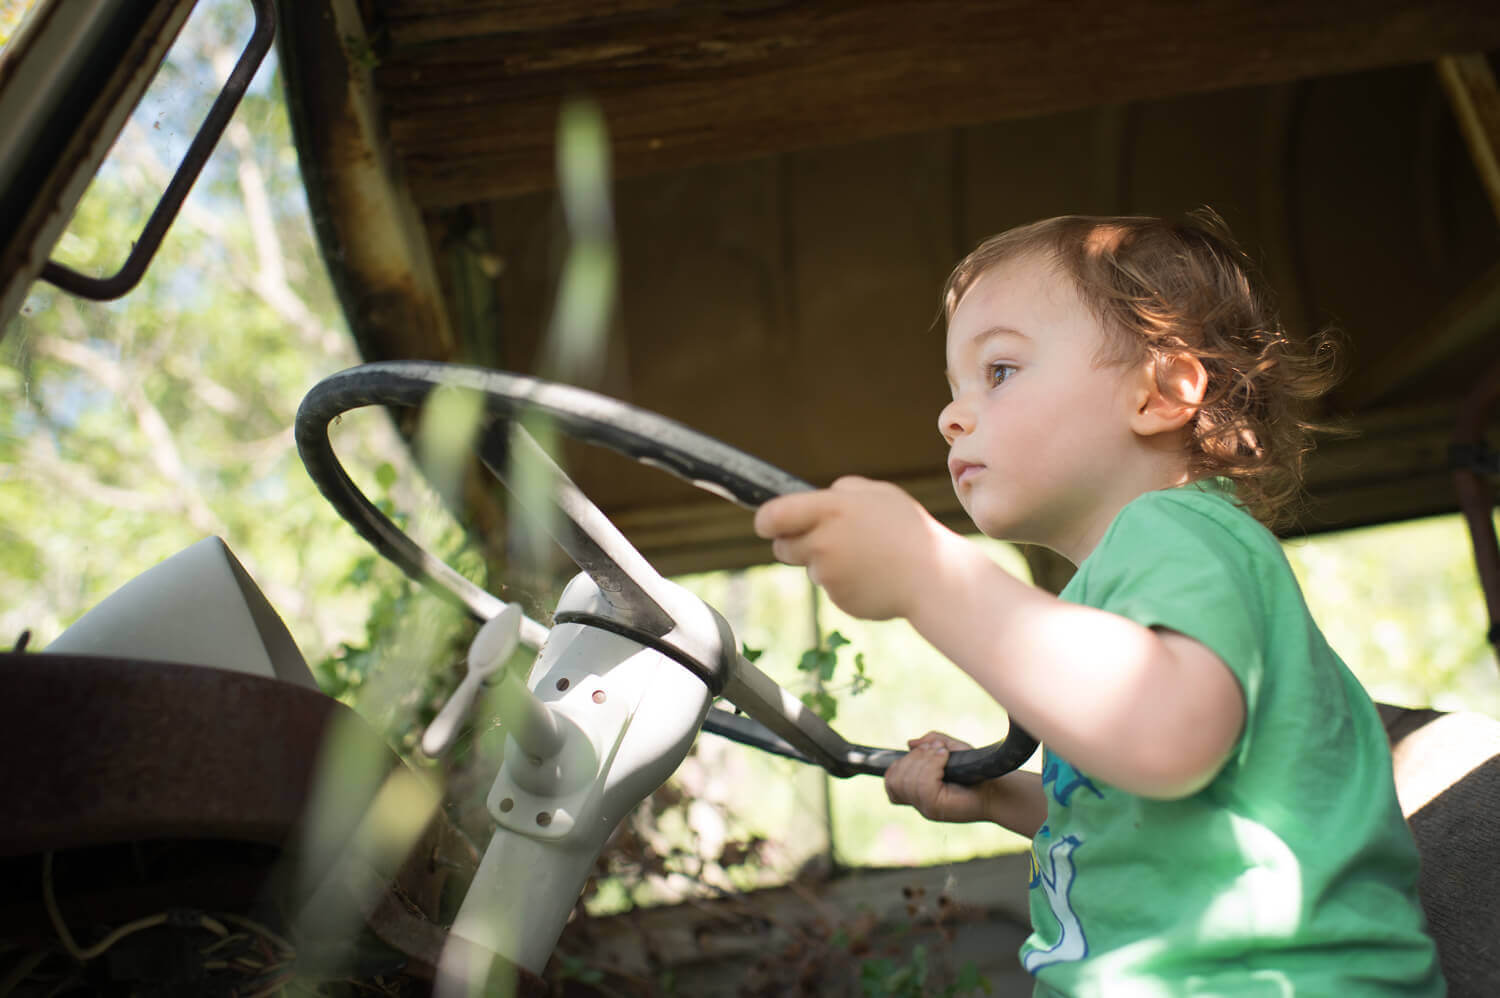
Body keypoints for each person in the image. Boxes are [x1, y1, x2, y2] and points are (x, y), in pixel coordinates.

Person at [753, 214, 1444, 996]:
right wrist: (1003, 797)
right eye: (954, 390)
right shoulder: (1119, 582)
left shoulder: (1182, 533)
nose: (952, 415)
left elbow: (1168, 737)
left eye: (1000, 371)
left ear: (1163, 391)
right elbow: (1147, 812)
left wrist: (927, 574)